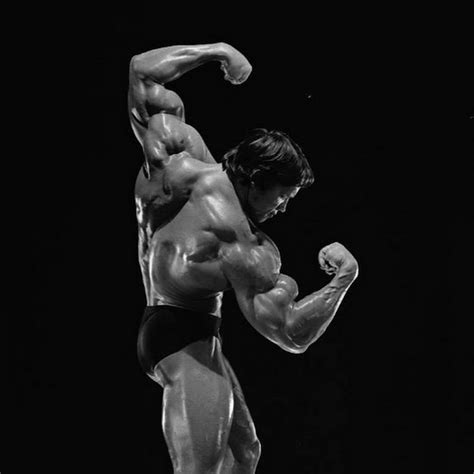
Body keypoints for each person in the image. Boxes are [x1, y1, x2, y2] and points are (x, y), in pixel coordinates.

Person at [129, 42, 359, 474]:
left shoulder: (179, 159)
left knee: (244, 453)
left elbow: (143, 71)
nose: (283, 209)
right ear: (255, 180)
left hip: (167, 324)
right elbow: (290, 334)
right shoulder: (243, 244)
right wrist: (343, 278)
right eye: (283, 197)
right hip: (184, 339)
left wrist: (217, 51)